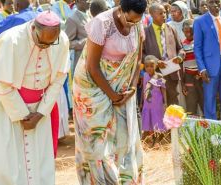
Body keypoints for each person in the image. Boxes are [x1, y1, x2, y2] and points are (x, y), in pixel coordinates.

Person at [0, 11, 69, 184]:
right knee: (8, 163)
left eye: (51, 43)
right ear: (33, 29)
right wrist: (22, 114)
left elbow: (59, 78)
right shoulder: (11, 40)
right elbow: (2, 82)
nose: (46, 47)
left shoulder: (62, 40)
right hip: (7, 108)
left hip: (39, 110)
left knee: (39, 161)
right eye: (42, 42)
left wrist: (41, 112)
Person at [72, 0, 147, 183]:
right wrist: (112, 95)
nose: (132, 25)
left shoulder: (137, 24)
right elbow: (92, 66)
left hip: (123, 87)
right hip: (92, 89)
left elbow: (137, 60)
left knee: (123, 137)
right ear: (120, 10)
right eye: (129, 21)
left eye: (136, 21)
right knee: (96, 141)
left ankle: (124, 179)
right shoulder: (102, 23)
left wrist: (132, 87)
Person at [144, 2, 185, 107]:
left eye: (165, 13)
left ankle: (174, 123)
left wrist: (180, 57)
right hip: (155, 74)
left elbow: (180, 49)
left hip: (171, 73)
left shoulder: (171, 29)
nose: (164, 15)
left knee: (174, 103)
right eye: (161, 13)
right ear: (152, 14)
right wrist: (156, 62)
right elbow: (142, 55)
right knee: (156, 104)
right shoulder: (145, 32)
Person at [141, 55, 167, 148]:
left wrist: (165, 103)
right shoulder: (144, 75)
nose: (149, 68)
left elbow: (163, 89)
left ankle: (157, 140)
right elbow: (144, 89)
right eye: (147, 66)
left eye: (152, 66)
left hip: (157, 103)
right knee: (147, 120)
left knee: (157, 120)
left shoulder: (159, 76)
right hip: (147, 104)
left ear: (156, 66)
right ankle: (145, 140)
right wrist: (141, 102)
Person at [181, 19, 204, 116]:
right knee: (191, 103)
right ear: (183, 31)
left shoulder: (200, 42)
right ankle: (192, 126)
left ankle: (207, 124)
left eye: (191, 30)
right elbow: (181, 64)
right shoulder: (182, 44)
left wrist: (200, 73)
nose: (189, 33)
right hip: (189, 77)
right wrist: (183, 82)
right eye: (186, 31)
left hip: (201, 76)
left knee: (204, 101)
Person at [65, 0, 90, 75]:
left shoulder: (90, 14)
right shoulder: (72, 19)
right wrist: (85, 42)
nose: (89, 1)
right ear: (78, 1)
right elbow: (67, 43)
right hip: (81, 63)